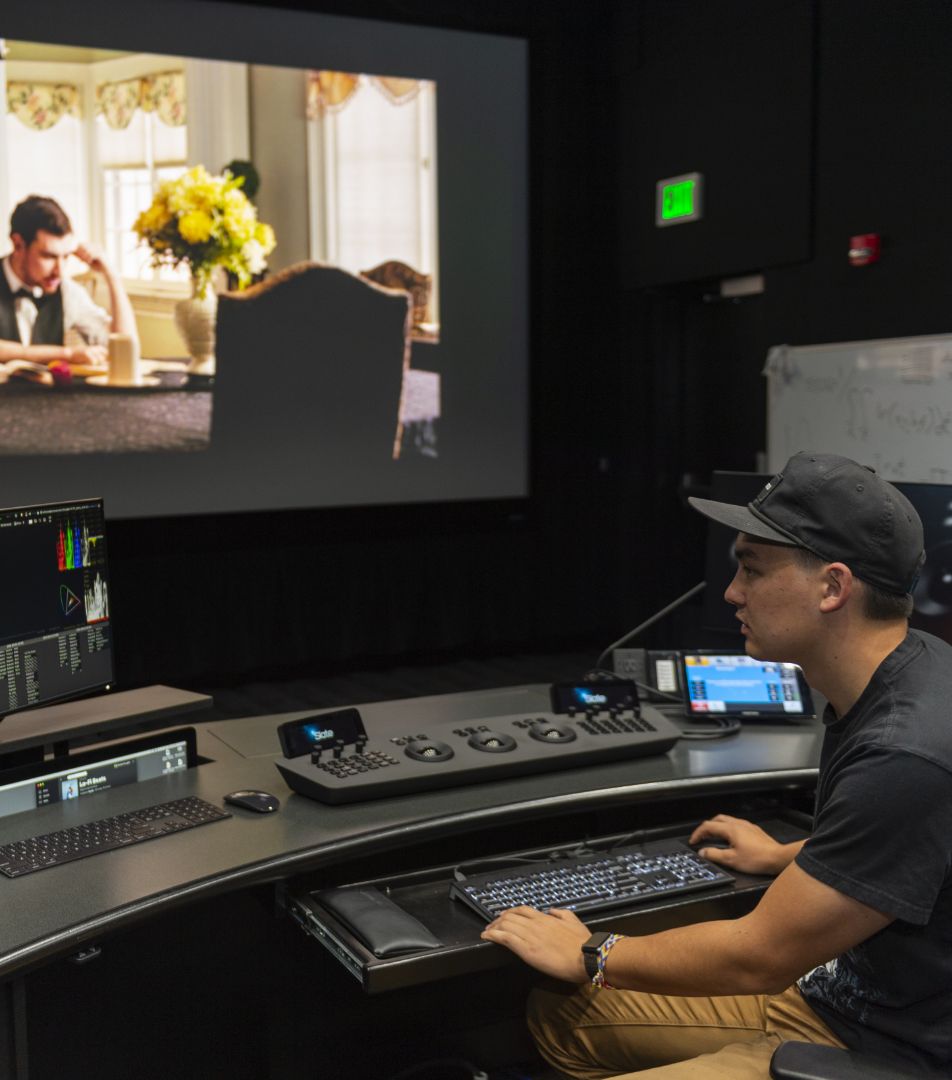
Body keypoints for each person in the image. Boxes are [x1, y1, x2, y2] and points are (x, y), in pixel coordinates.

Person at [482, 451, 952, 1078]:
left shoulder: (905, 750)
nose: (733, 592)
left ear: (833, 587)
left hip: (891, 1048)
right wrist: (784, 856)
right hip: (843, 994)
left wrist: (595, 951)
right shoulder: (915, 664)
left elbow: (757, 957)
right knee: (567, 1014)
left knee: (585, 980)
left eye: (752, 570)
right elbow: (912, 845)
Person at [0, 194, 139, 366]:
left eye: (65, 256)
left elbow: (123, 349)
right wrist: (66, 354)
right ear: (18, 244)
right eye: (48, 256)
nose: (59, 270)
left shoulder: (67, 291)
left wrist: (112, 275)